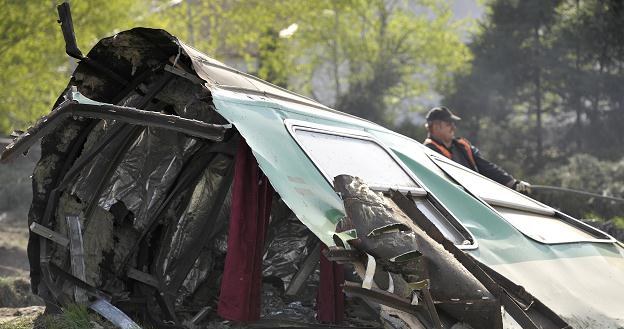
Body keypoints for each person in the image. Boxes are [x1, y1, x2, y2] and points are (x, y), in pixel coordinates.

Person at [423, 106, 531, 193]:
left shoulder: (462, 146)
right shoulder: (428, 150)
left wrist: (512, 182)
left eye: (453, 124)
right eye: (448, 124)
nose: (453, 128)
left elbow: (486, 167)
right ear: (436, 127)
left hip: (475, 196)